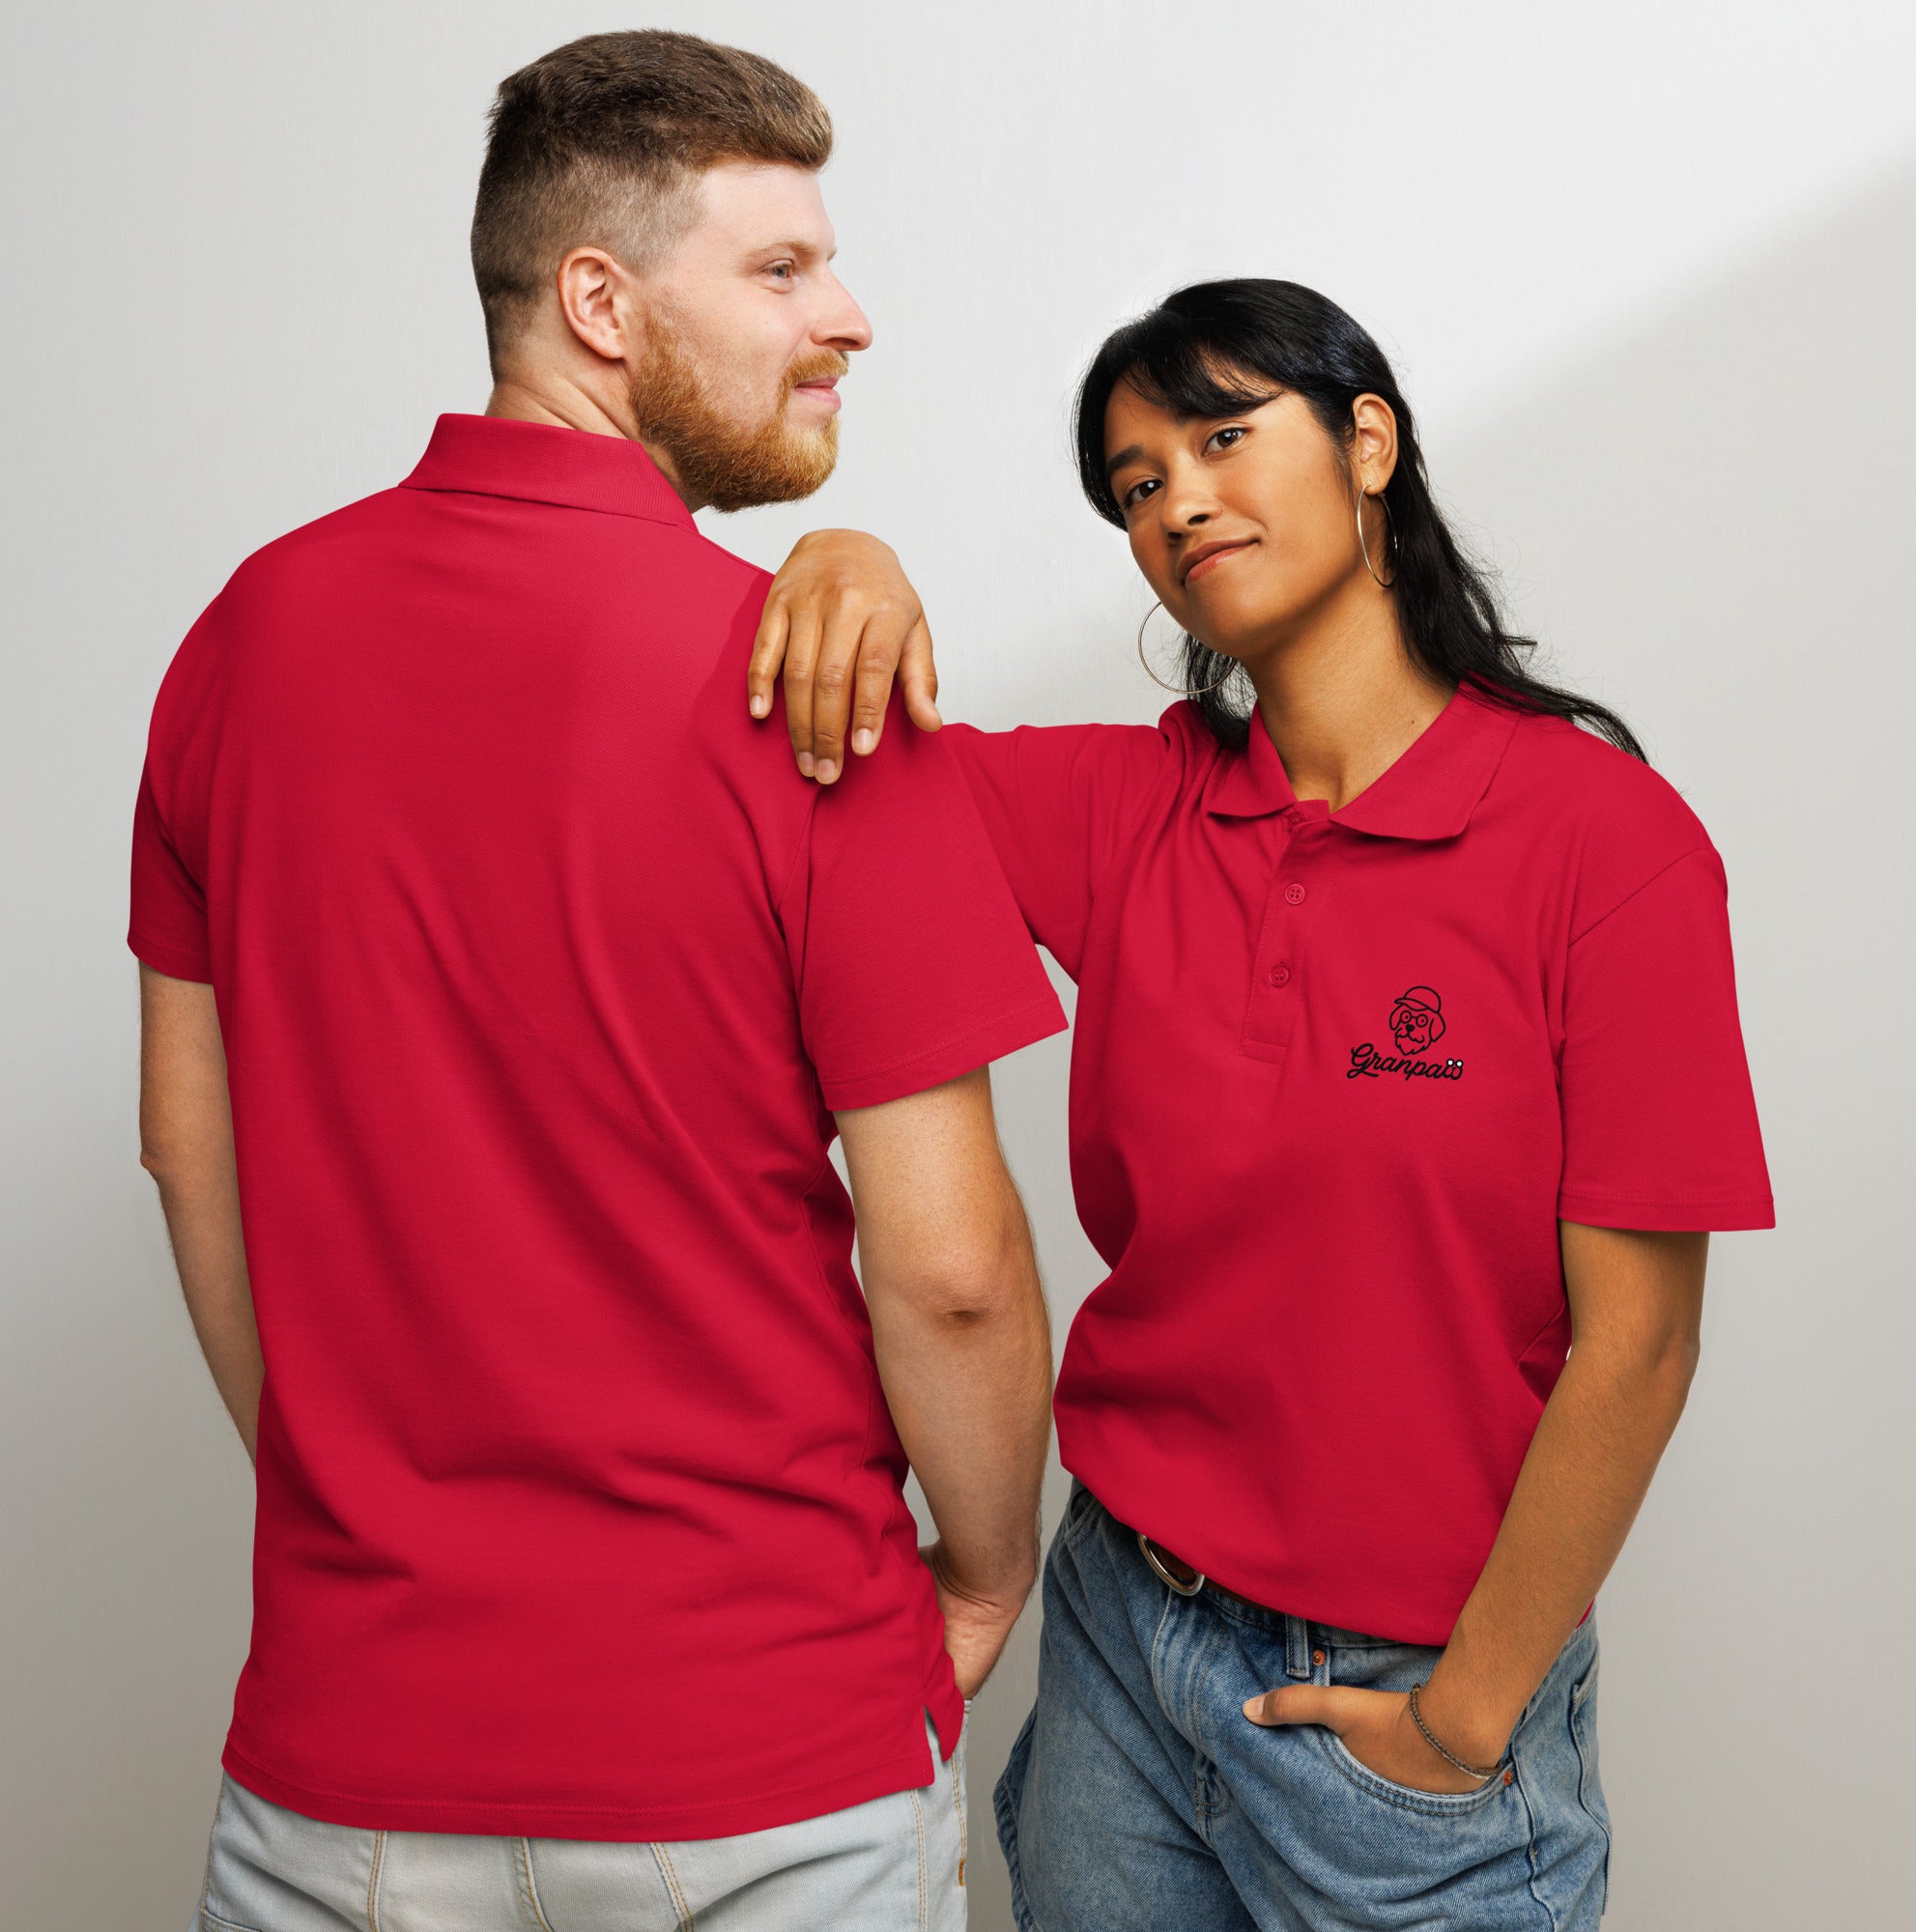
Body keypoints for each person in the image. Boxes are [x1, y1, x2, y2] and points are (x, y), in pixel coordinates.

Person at [132, 31, 1065, 1932]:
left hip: (346, 1763)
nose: (850, 316)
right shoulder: (822, 695)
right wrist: (980, 1578)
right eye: (783, 269)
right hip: (764, 1765)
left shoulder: (242, 638)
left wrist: (360, 1509)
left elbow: (186, 1148)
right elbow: (950, 1266)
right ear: (599, 303)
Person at [749, 278, 1773, 1930]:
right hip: (1117, 1651)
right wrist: (845, 560)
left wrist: (1464, 1719)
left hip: (1413, 1712)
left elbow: (1639, 1345)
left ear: (1370, 442)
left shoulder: (1608, 845)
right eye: (1139, 484)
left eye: (1225, 436)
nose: (1180, 503)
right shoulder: (1129, 810)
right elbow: (845, 756)